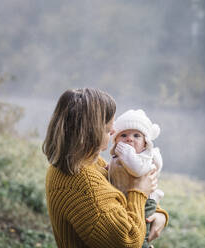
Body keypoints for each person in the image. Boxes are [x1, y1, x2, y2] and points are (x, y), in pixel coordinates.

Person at [43, 88, 168, 248]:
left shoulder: (88, 162)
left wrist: (158, 212)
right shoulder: (82, 183)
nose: (115, 131)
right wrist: (138, 192)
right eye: (109, 129)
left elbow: (118, 196)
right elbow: (128, 241)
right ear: (89, 132)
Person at [108, 109, 164, 248]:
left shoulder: (142, 158)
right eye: (124, 135)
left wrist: (128, 153)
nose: (129, 139)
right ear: (115, 140)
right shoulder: (119, 157)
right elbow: (116, 171)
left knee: (141, 233)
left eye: (136, 135)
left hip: (145, 202)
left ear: (145, 143)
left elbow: (137, 171)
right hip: (127, 200)